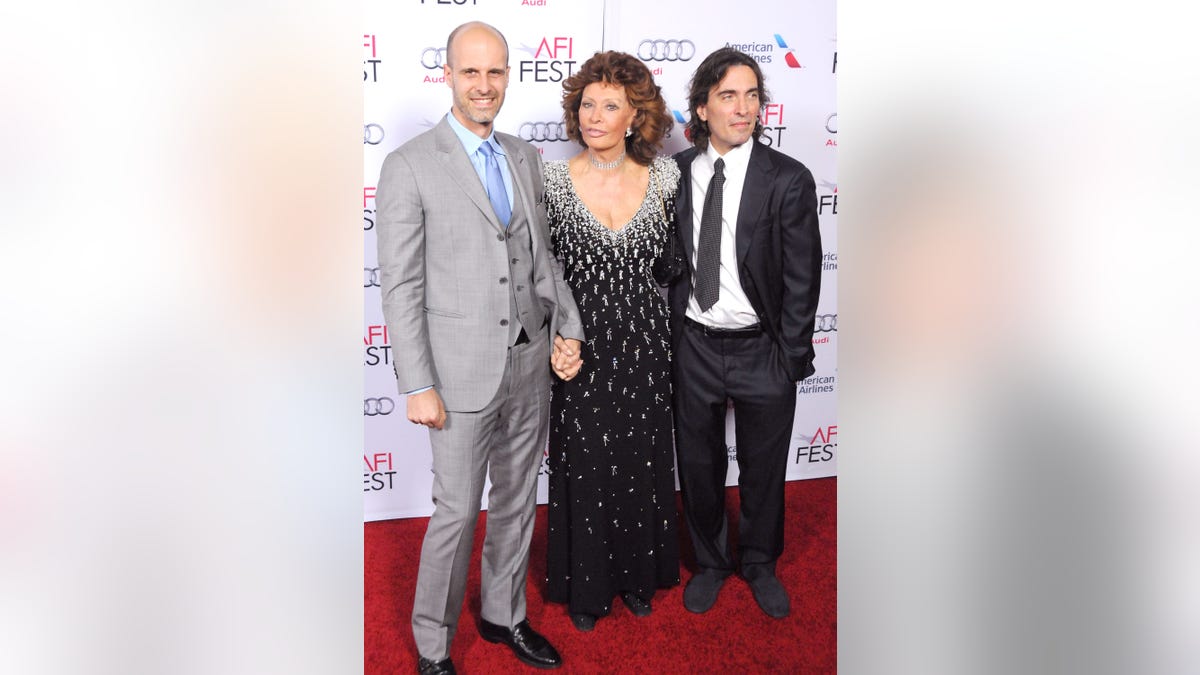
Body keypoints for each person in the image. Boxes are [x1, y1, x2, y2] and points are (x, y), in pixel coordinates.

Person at [374, 21, 585, 675]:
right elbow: (402, 285)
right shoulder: (409, 164)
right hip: (458, 374)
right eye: (472, 72)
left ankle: (504, 614)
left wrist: (567, 328)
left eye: (495, 72)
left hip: (529, 362)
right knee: (458, 511)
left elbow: (540, 259)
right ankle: (434, 645)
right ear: (448, 75)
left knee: (519, 498)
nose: (485, 85)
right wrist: (417, 382)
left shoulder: (524, 156)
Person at [668, 47, 822, 619]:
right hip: (695, 344)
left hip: (763, 348)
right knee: (700, 464)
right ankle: (710, 562)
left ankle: (758, 562)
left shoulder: (788, 178)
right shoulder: (675, 173)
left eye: (752, 94)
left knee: (764, 465)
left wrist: (791, 356)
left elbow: (804, 276)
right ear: (702, 107)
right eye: (728, 95)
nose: (743, 107)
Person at [542, 50, 681, 632]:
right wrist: (555, 335)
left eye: (611, 106)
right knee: (587, 463)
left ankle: (637, 578)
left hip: (647, 343)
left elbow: (676, 266)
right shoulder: (550, 180)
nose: (595, 115)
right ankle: (587, 586)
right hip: (579, 345)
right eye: (587, 104)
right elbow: (539, 269)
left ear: (635, 116)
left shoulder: (668, 178)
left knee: (639, 459)